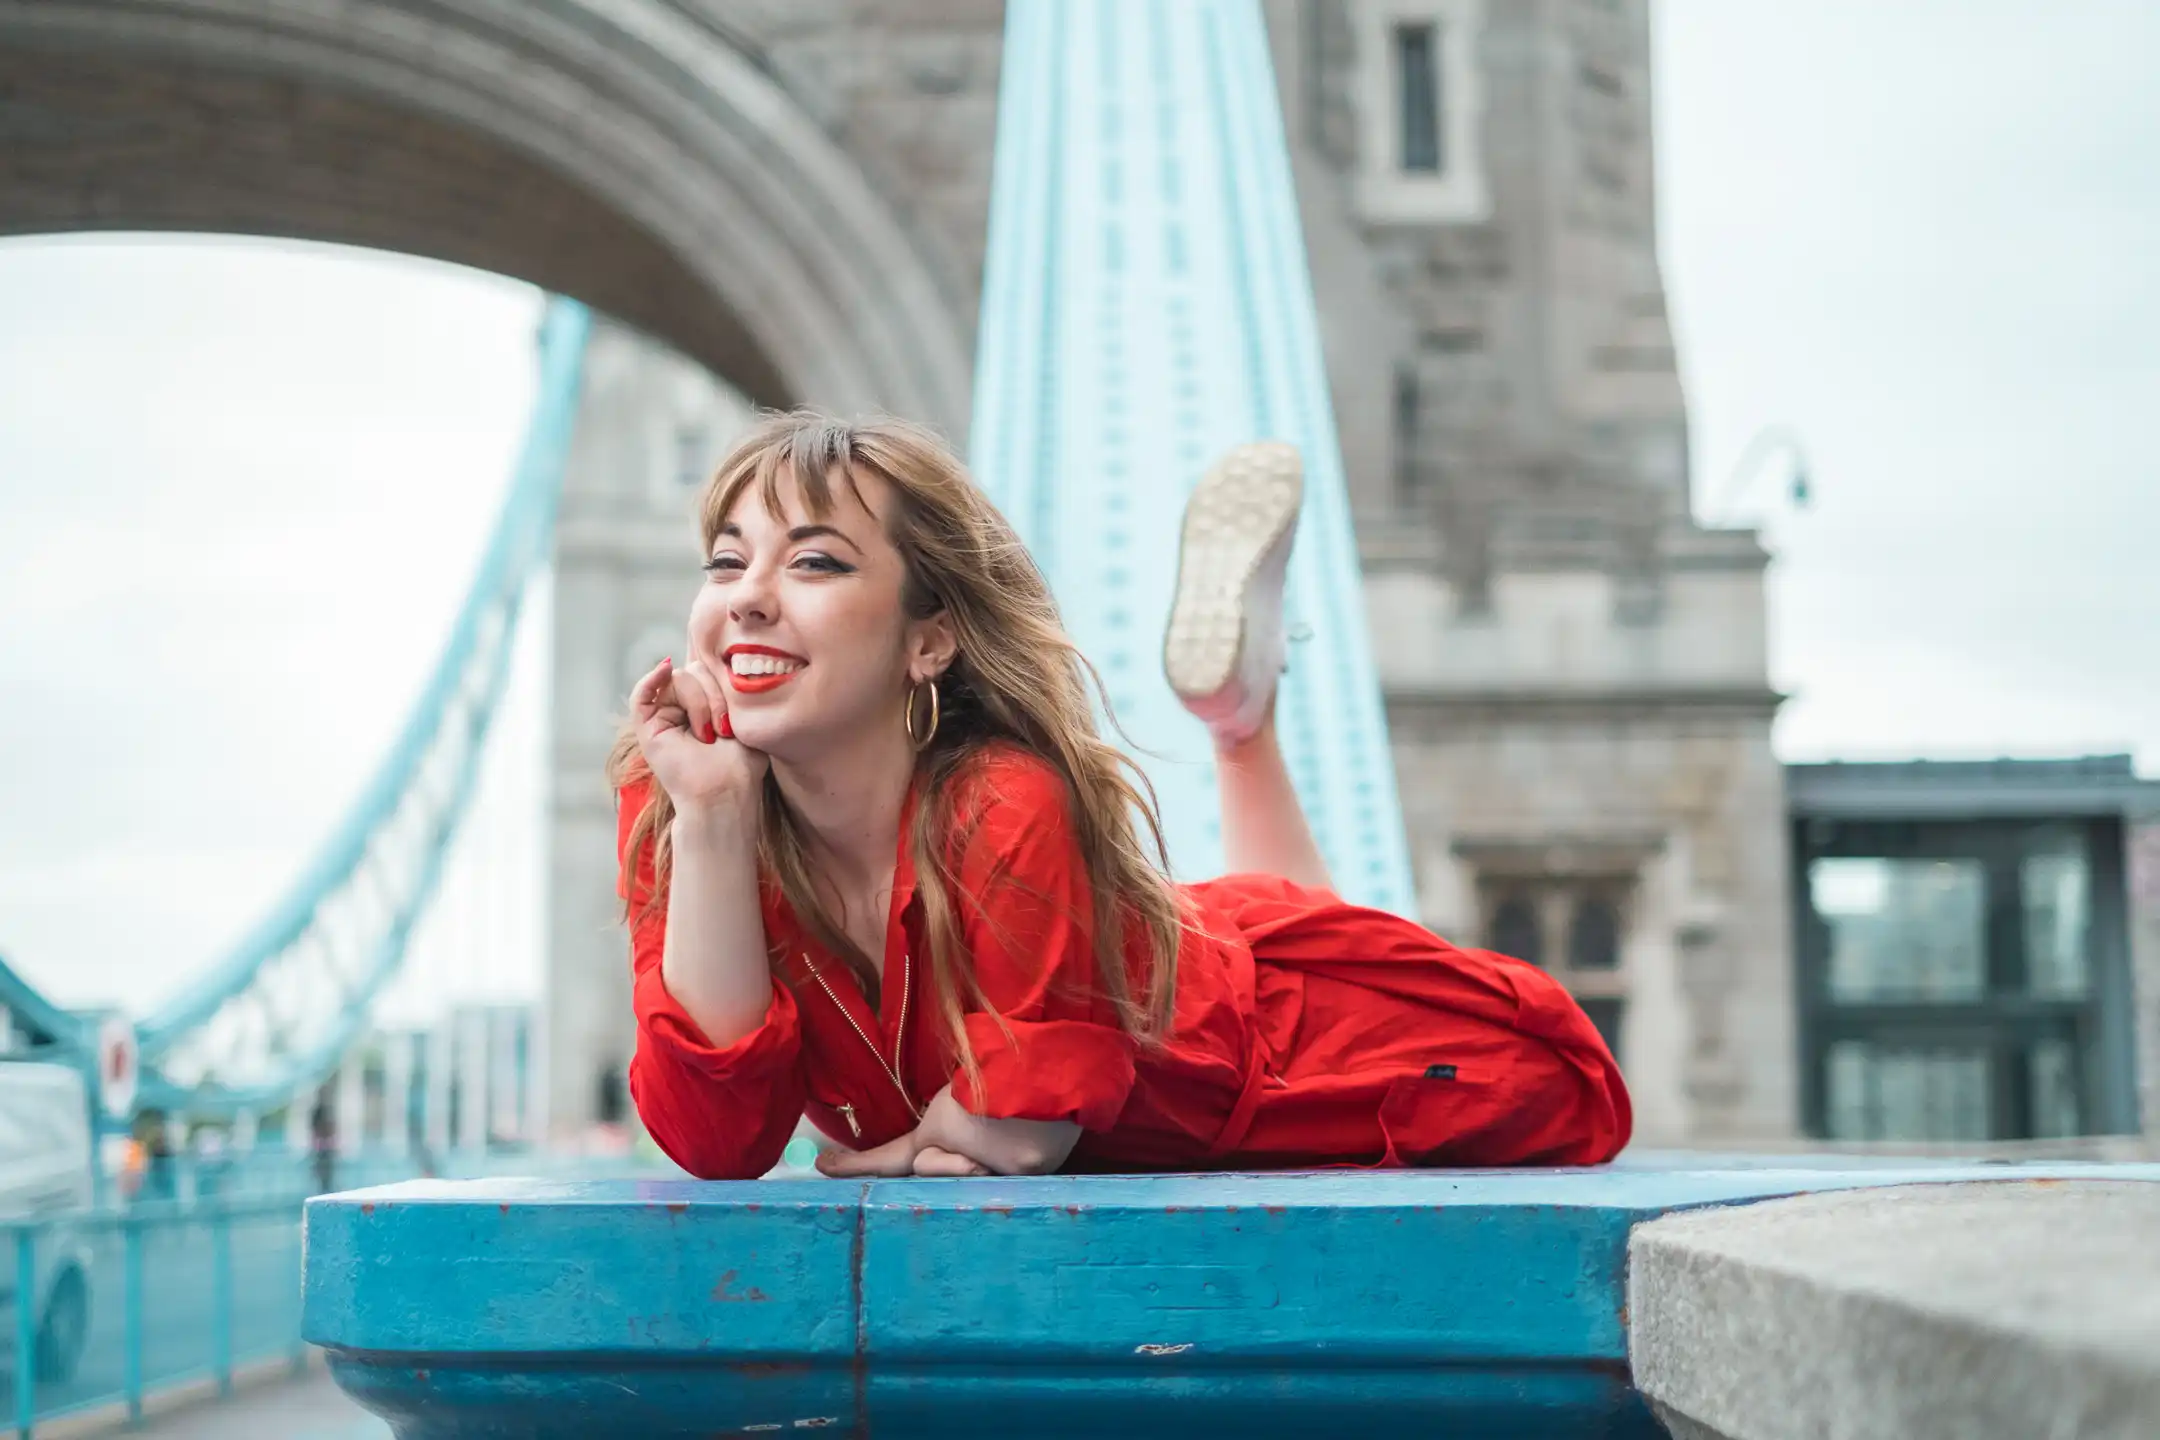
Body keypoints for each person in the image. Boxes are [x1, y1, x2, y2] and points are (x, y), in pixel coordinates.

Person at [612, 414, 1630, 1179]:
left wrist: (878, 1157)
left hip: (1286, 1059)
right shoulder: (680, 809)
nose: (747, 594)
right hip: (1166, 962)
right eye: (728, 561)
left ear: (929, 640)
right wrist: (710, 820)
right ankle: (1244, 710)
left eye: (817, 562)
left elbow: (1019, 1133)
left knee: (1567, 1096)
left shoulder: (1004, 804)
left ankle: (1243, 717)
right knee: (1267, 912)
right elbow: (719, 1140)